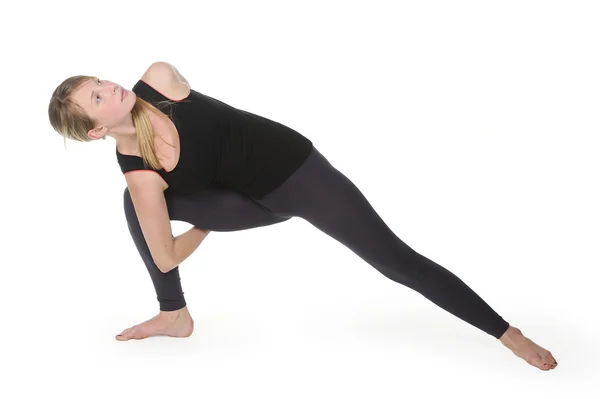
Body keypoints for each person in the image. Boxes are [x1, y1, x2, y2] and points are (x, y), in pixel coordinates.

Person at [48, 61, 557, 370]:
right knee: (134, 205)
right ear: (95, 132)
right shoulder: (139, 174)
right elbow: (166, 254)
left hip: (299, 175)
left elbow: (208, 143)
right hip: (245, 206)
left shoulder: (160, 81)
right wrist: (211, 221)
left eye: (99, 79)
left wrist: (206, 216)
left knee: (397, 263)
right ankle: (174, 315)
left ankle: (509, 335)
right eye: (96, 96)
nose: (109, 85)